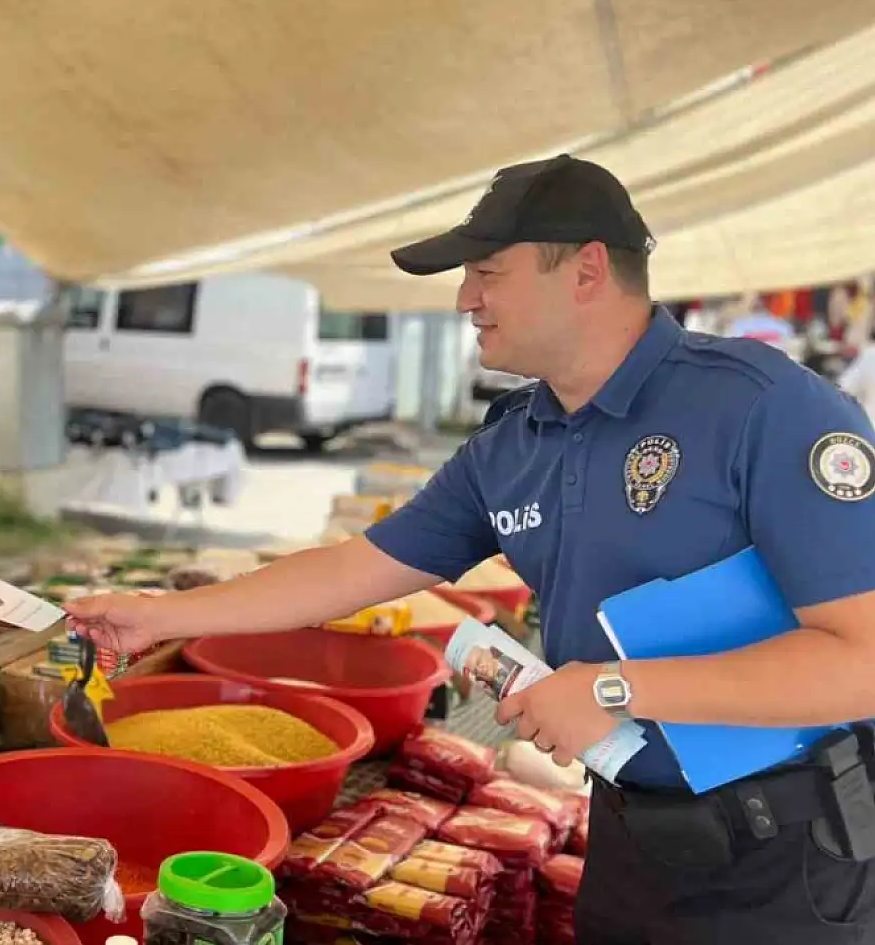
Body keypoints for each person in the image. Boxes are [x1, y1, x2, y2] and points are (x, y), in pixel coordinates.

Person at [67, 155, 875, 944]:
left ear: (587, 270)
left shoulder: (762, 409)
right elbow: (358, 568)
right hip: (631, 840)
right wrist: (158, 614)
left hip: (795, 857)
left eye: (487, 272)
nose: (464, 299)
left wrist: (617, 688)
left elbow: (862, 661)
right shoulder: (515, 443)